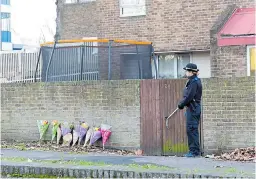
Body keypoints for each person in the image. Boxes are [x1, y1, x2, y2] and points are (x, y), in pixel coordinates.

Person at [178, 63, 202, 157]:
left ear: (192, 72)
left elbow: (189, 96)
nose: (186, 72)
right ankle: (193, 151)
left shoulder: (194, 82)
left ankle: (194, 152)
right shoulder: (192, 81)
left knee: (192, 130)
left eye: (187, 71)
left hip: (193, 109)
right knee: (191, 130)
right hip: (192, 108)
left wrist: (181, 104)